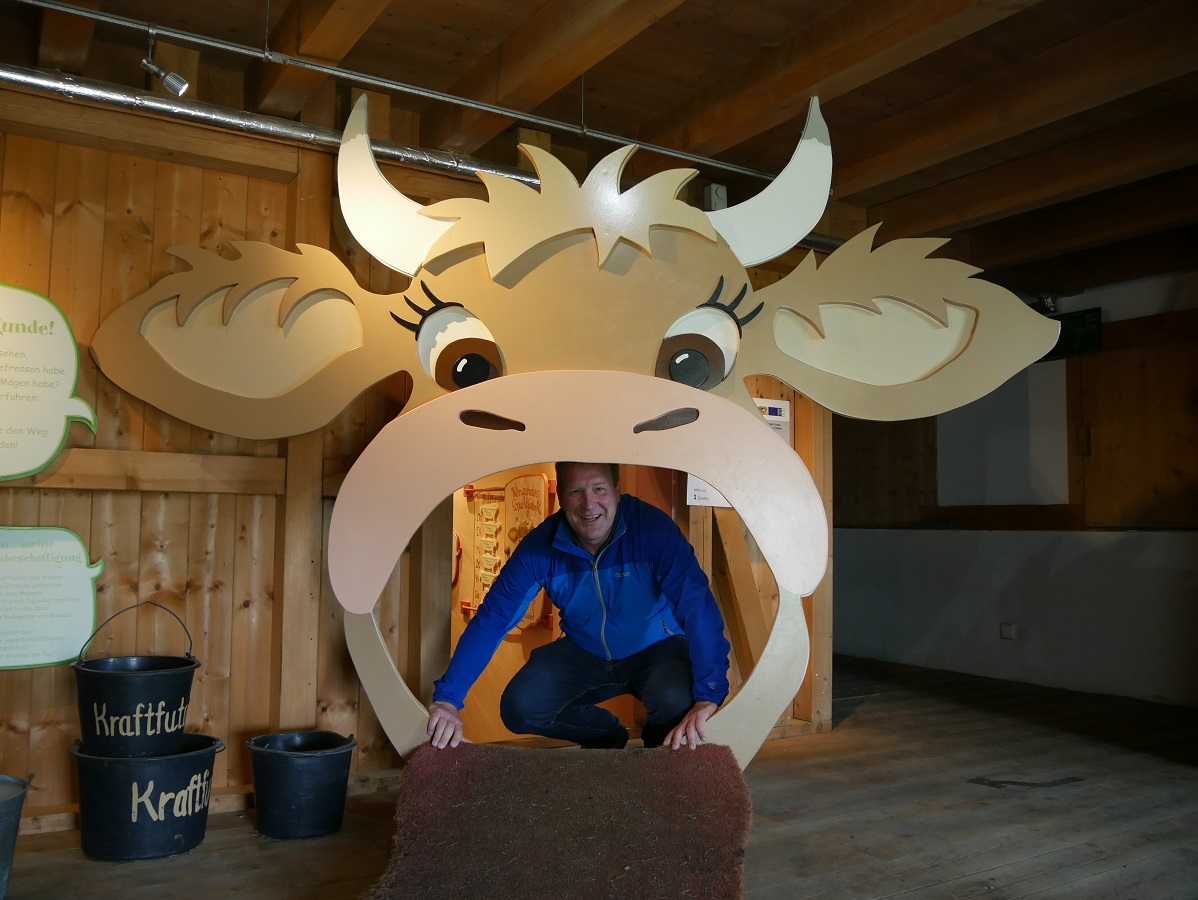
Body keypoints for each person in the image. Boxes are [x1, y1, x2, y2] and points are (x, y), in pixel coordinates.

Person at [427, 461, 731, 752]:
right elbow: (494, 619)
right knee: (521, 708)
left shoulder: (654, 532)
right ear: (560, 497)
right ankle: (607, 736)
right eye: (575, 492)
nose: (588, 504)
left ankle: (656, 753)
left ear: (617, 490)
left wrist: (710, 693)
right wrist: (448, 699)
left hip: (656, 648)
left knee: (677, 699)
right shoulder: (538, 548)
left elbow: (697, 608)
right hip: (584, 651)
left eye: (599, 489)